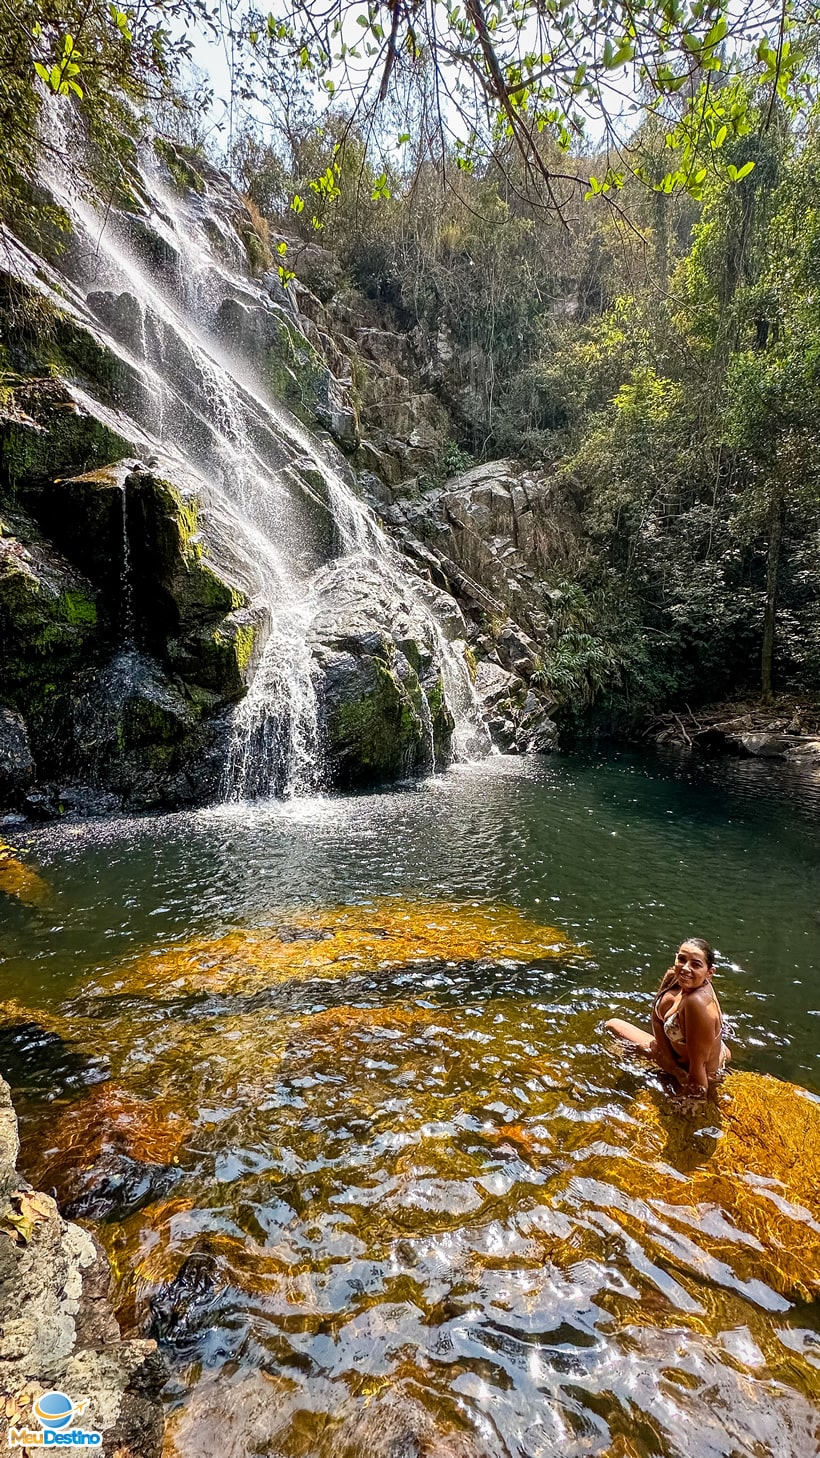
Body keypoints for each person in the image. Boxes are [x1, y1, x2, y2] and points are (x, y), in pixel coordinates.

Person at [606, 938, 729, 1094]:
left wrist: (696, 1099)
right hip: (676, 1061)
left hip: (698, 1071)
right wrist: (670, 1065)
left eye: (696, 964)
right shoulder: (674, 977)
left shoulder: (696, 1002)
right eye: (682, 959)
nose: (686, 968)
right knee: (612, 1026)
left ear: (710, 973)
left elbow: (700, 1065)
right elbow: (657, 1019)